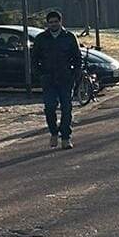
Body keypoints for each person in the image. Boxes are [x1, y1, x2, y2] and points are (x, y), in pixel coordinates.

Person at [32, 9, 82, 149]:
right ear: (47, 24)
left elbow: (77, 57)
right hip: (48, 79)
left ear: (61, 22)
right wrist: (39, 74)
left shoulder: (69, 37)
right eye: (50, 22)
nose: (53, 24)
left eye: (56, 22)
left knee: (67, 109)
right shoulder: (41, 38)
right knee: (49, 108)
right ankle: (54, 132)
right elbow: (34, 58)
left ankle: (66, 137)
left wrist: (75, 74)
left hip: (66, 79)